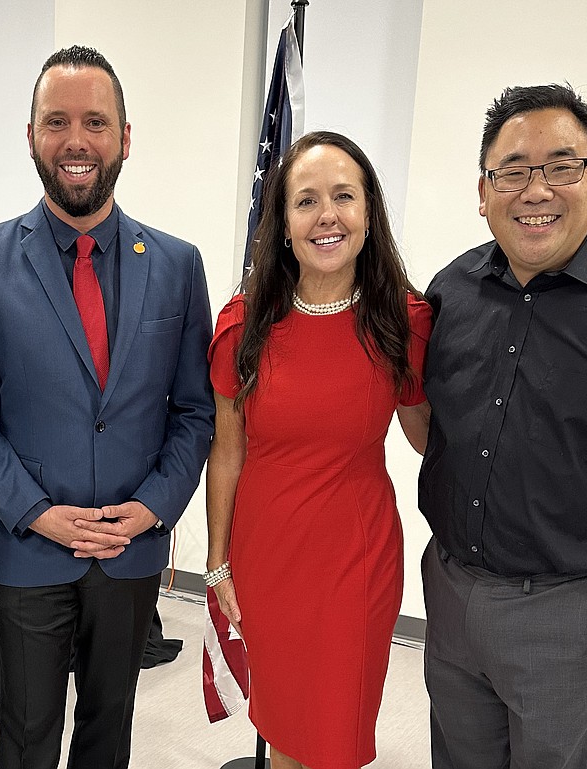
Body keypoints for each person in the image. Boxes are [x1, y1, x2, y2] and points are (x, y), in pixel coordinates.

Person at [0, 45, 214, 769]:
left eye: (96, 121)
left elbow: (194, 410)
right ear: (30, 136)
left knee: (108, 727)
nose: (76, 140)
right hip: (30, 545)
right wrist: (35, 510)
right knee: (26, 733)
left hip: (131, 547)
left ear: (126, 137)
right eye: (56, 121)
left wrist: (153, 506)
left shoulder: (178, 265)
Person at [418, 83, 587, 769]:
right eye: (512, 170)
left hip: (576, 615)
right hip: (451, 592)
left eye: (562, 166)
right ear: (483, 192)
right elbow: (437, 425)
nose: (535, 189)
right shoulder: (453, 290)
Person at [206, 130, 432, 769]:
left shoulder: (404, 321)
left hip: (353, 561)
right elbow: (227, 453)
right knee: (282, 731)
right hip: (267, 556)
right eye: (306, 201)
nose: (326, 215)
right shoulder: (242, 324)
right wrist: (218, 562)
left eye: (343, 197)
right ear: (281, 222)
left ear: (368, 213)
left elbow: (426, 435)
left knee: (335, 736)